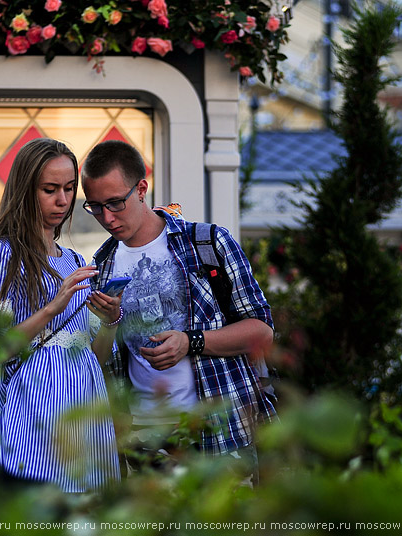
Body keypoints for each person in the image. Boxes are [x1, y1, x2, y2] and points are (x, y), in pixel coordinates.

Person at [81, 140, 276, 479]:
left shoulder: (207, 243)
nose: (107, 218)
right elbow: (95, 364)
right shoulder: (102, 265)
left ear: (141, 189)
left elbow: (262, 331)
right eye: (95, 207)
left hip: (220, 425)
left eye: (115, 203)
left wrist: (191, 342)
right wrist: (110, 323)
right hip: (143, 436)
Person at [0, 138, 121, 492]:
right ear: (26, 190)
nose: (63, 200)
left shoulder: (74, 261)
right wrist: (52, 307)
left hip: (85, 419)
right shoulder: (4, 253)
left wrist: (110, 321)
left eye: (70, 188)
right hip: (35, 419)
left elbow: (92, 358)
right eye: (49, 189)